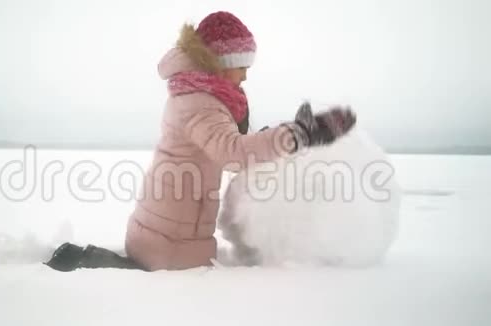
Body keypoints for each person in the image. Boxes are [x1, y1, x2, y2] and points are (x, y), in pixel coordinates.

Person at [44, 11, 356, 272]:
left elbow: (231, 145)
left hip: (164, 233)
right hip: (170, 244)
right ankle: (87, 260)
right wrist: (299, 134)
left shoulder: (197, 96)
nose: (246, 76)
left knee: (142, 273)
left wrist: (276, 134)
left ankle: (90, 259)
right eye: (242, 66)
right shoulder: (200, 103)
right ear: (221, 63)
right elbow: (233, 154)